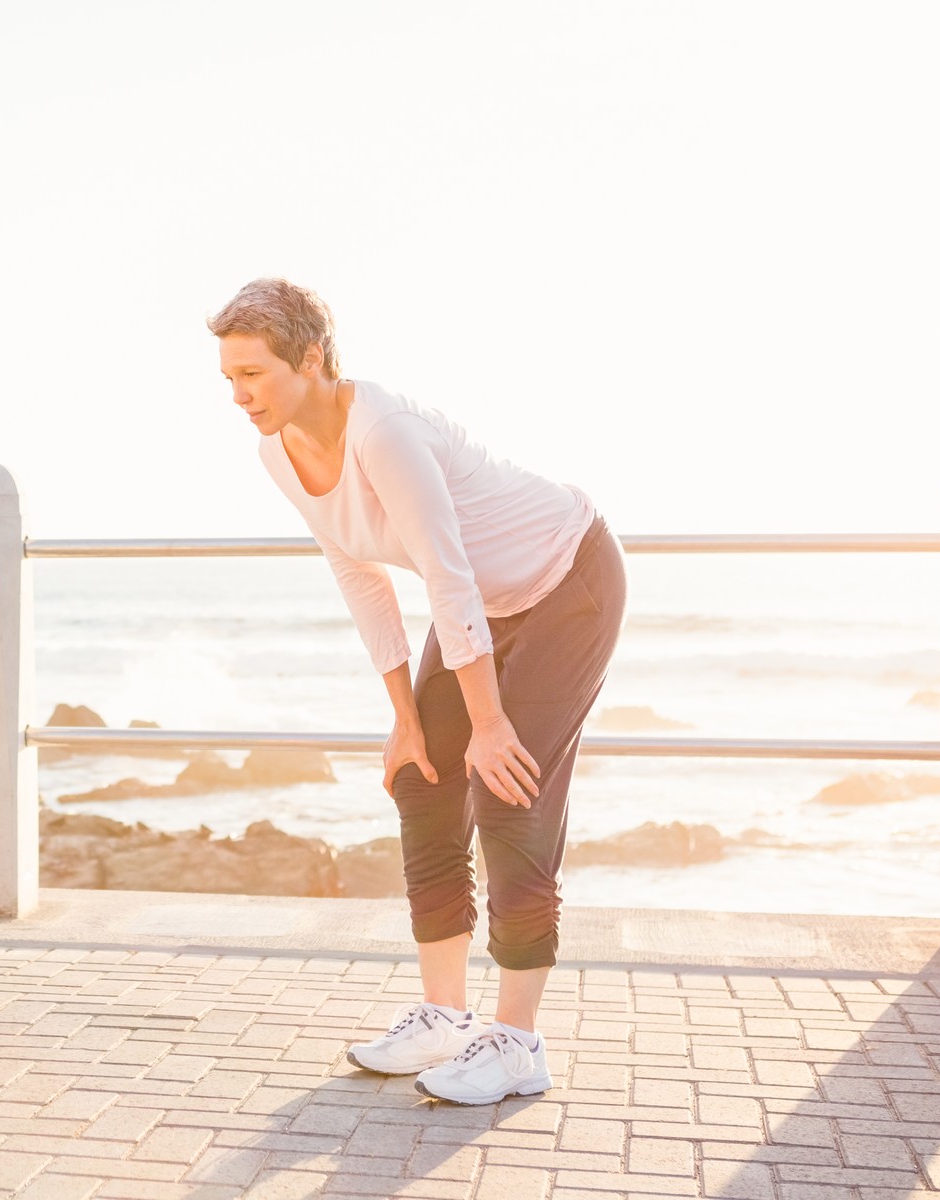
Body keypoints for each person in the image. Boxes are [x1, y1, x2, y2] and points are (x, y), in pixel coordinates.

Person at [208, 277, 627, 1105]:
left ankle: (516, 1044)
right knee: (420, 775)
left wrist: (490, 725)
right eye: (229, 378)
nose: (239, 395)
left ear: (313, 358)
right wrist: (406, 718)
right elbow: (357, 572)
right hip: (482, 602)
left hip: (567, 578)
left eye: (252, 374)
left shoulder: (386, 434)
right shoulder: (279, 450)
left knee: (507, 790)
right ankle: (444, 1016)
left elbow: (447, 576)